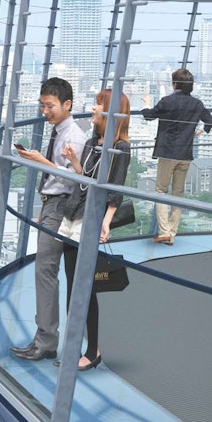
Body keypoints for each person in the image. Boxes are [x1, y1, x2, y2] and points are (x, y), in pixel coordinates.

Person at [11, 78, 86, 362]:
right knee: (46, 272)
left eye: (50, 105)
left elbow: (74, 179)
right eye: (42, 105)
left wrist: (41, 162)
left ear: (67, 105)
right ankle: (44, 338)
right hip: (52, 205)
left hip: (62, 207)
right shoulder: (60, 131)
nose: (45, 111)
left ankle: (46, 341)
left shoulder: (73, 137)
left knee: (46, 271)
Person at [57, 90, 131, 371]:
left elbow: (116, 187)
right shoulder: (92, 142)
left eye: (98, 104)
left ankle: (93, 349)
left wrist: (107, 219)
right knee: (73, 285)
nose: (93, 108)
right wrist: (75, 162)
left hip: (90, 219)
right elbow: (85, 180)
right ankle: (75, 346)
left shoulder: (120, 148)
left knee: (84, 288)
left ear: (112, 112)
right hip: (74, 213)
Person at [141, 68, 212, 245]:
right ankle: (172, 233)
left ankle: (165, 231)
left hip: (167, 153)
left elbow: (149, 116)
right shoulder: (197, 103)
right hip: (185, 155)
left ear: (175, 85)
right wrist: (199, 132)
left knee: (160, 191)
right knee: (178, 193)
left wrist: (147, 103)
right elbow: (209, 121)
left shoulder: (167, 101)